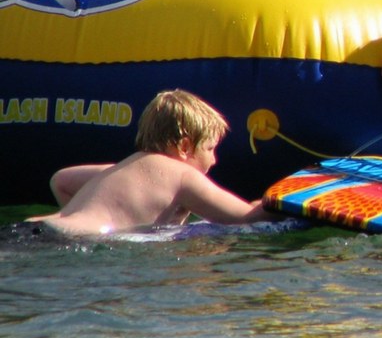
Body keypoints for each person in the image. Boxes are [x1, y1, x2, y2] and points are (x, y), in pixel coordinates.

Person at [28, 89, 278, 236]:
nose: (214, 159)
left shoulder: (117, 170)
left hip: (36, 228)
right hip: (74, 239)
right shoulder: (183, 175)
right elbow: (246, 218)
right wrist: (282, 201)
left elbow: (60, 181)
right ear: (184, 147)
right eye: (210, 149)